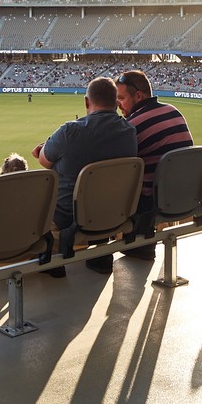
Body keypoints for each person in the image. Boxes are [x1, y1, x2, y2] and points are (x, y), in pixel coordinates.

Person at [33, 76, 138, 273]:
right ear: (116, 102)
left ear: (87, 102)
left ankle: (53, 264)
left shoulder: (70, 131)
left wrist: (48, 148)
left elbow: (44, 161)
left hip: (68, 217)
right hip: (112, 213)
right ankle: (98, 253)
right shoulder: (129, 131)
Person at [114, 69, 194, 245]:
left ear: (139, 96)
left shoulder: (132, 126)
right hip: (186, 194)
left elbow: (111, 164)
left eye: (121, 98)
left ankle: (101, 256)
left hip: (151, 204)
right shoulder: (173, 111)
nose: (117, 104)